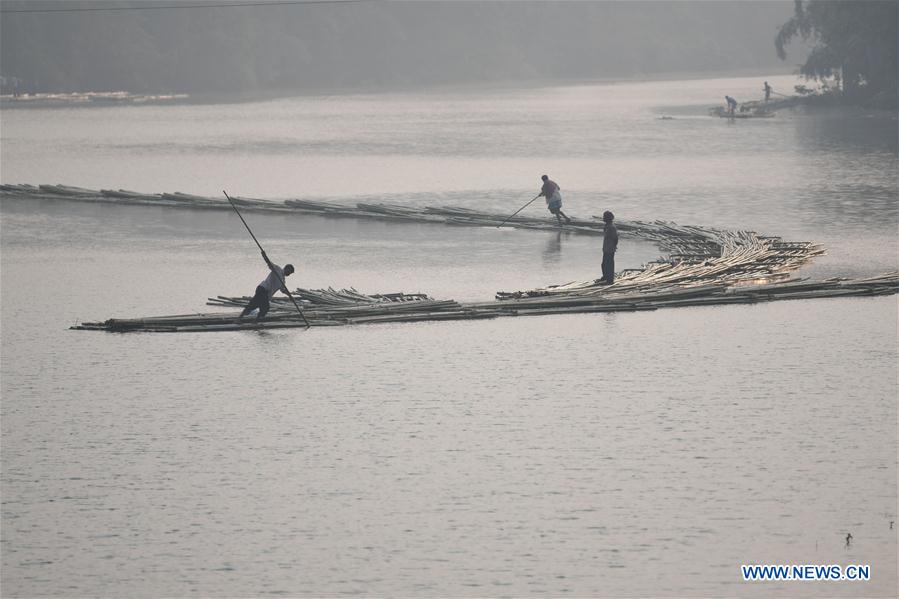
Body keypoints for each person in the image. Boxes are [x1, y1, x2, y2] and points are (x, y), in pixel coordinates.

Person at [239, 250, 295, 320]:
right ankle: (255, 321)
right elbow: (269, 263)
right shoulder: (278, 269)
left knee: (253, 305)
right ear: (286, 269)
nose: (289, 274)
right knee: (264, 308)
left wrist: (290, 296)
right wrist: (264, 256)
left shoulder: (283, 280)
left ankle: (243, 319)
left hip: (265, 292)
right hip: (263, 289)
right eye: (289, 272)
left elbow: (283, 290)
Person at [598, 210, 618, 284]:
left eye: (604, 217)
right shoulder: (607, 226)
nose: (603, 218)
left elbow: (615, 238)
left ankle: (610, 280)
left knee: (609, 264)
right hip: (606, 248)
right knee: (604, 264)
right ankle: (605, 277)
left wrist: (614, 246)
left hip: (610, 249)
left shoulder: (611, 227)